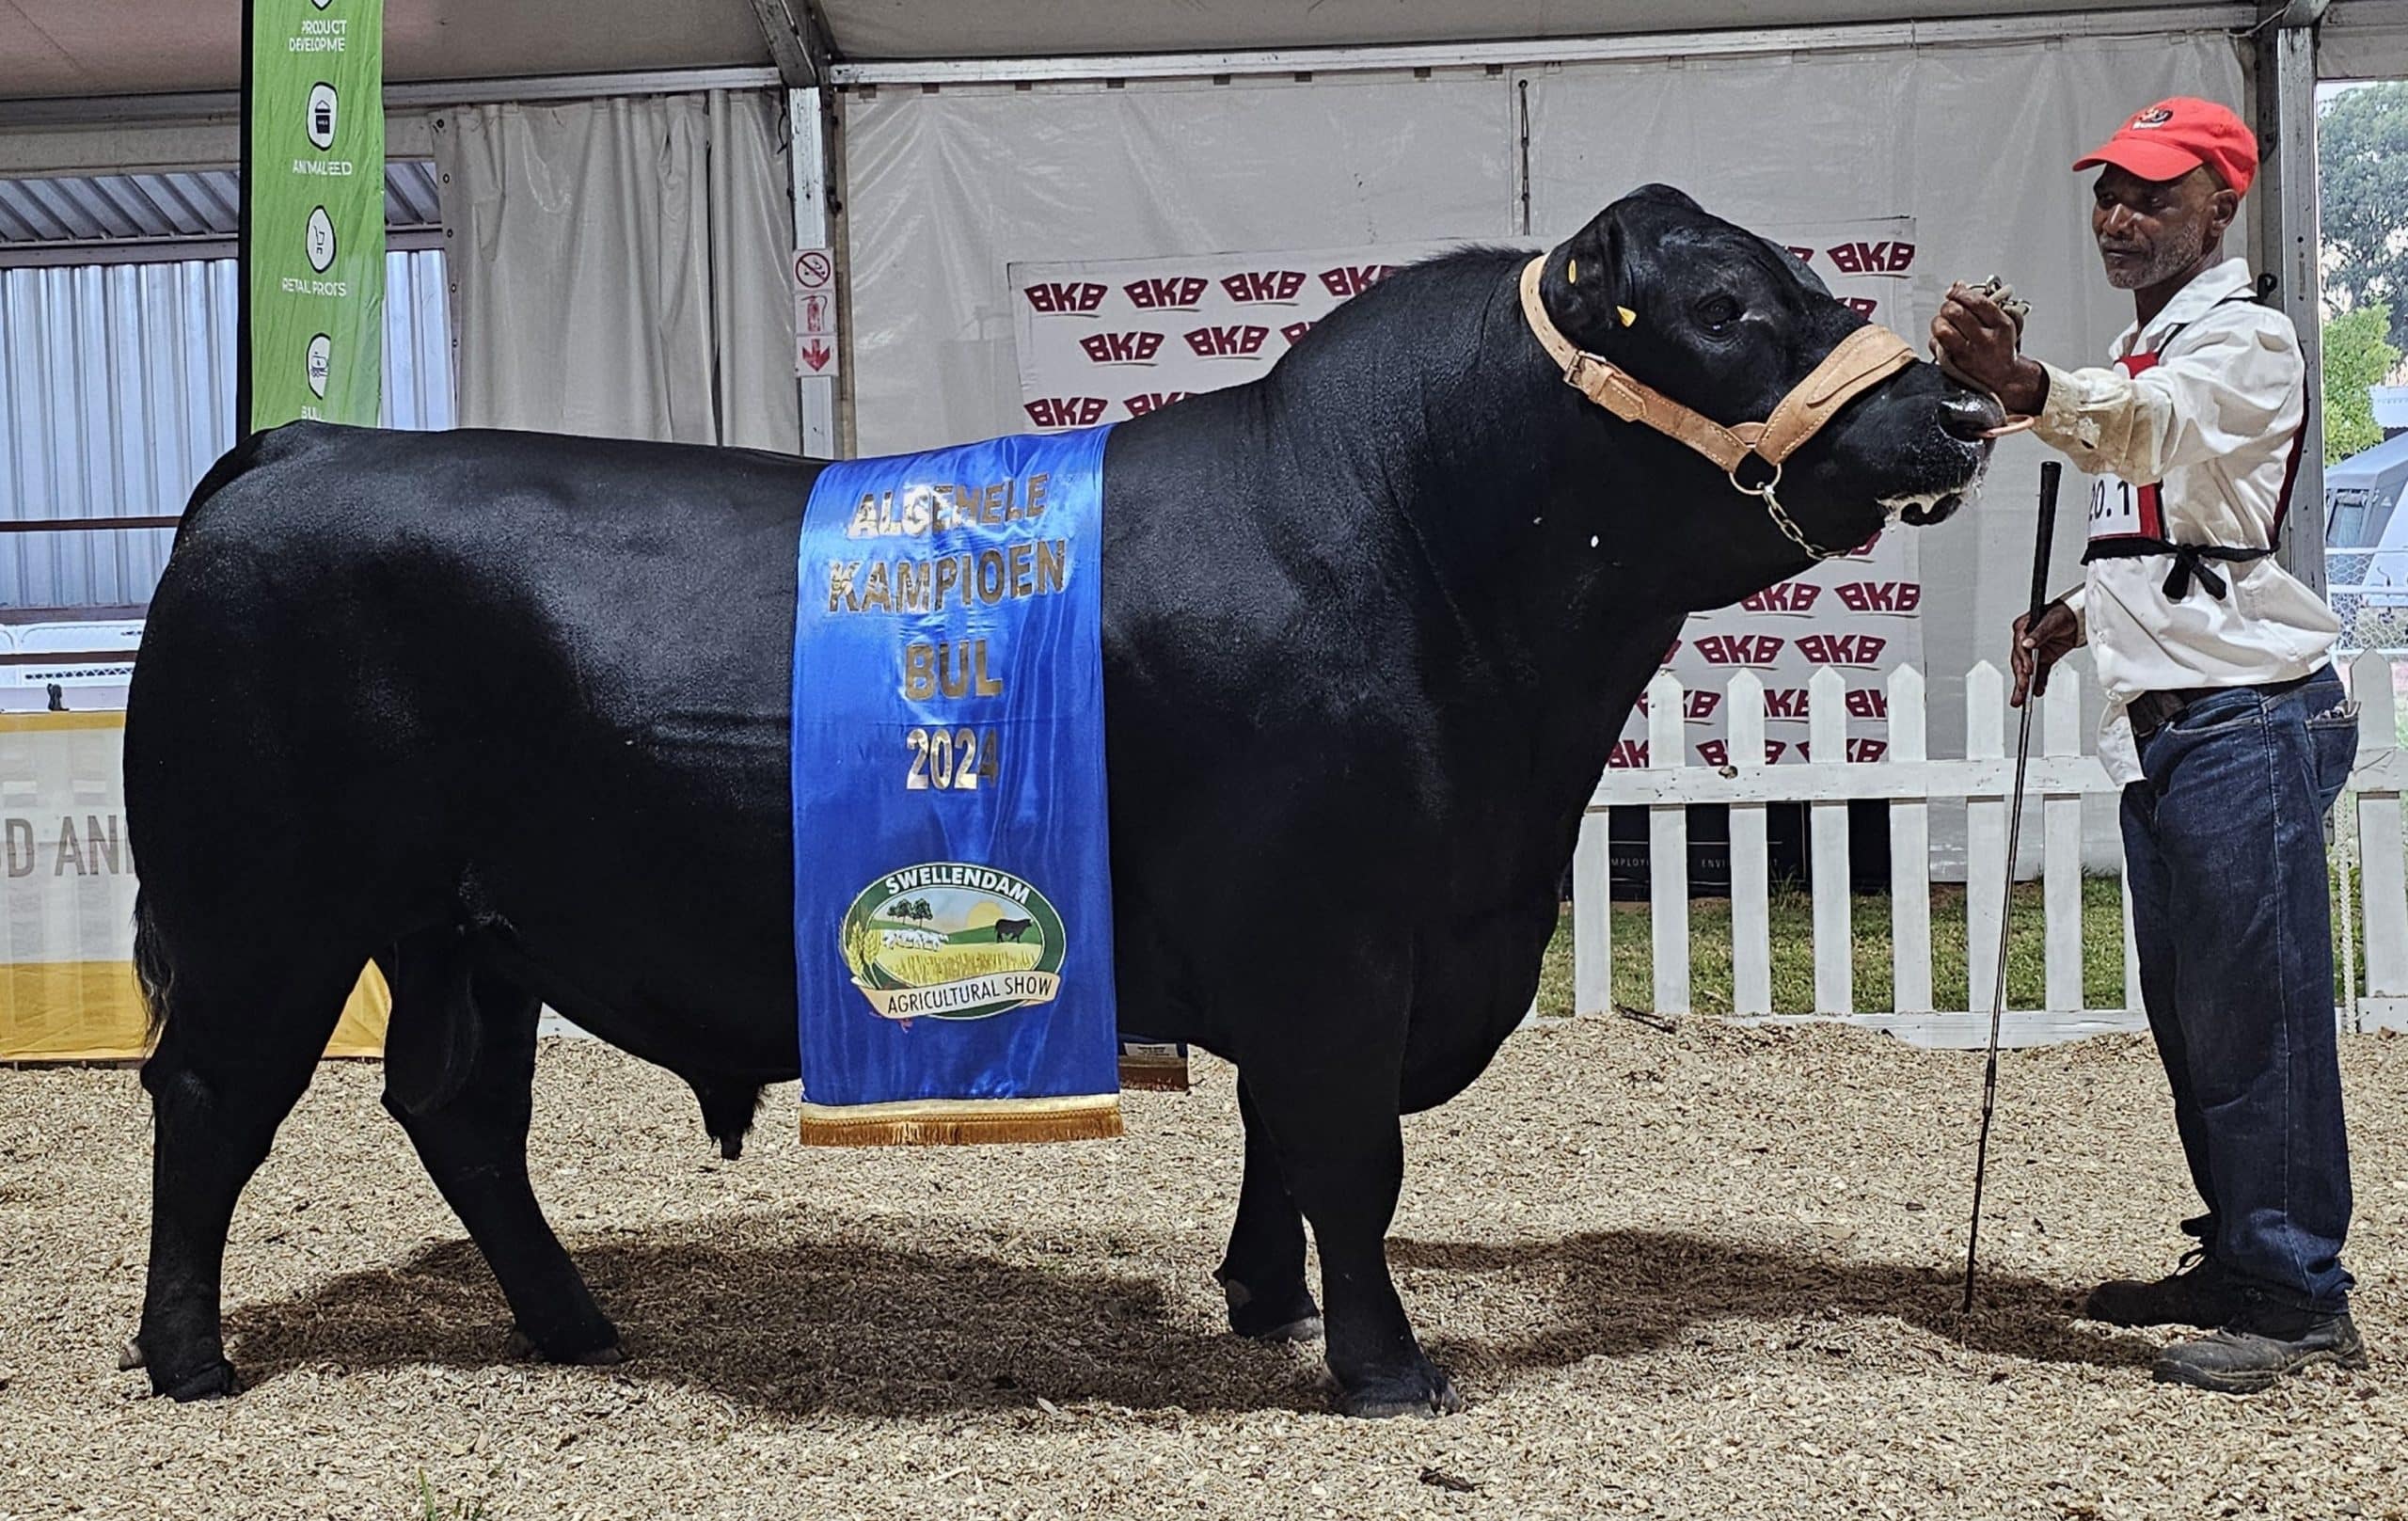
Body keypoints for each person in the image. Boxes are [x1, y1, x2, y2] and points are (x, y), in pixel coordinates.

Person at [1931, 97, 2365, 1393]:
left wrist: (2020, 384)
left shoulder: (2247, 340)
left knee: (2257, 1019)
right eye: (2110, 191)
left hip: (2252, 717)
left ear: (2218, 209)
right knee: (2196, 1013)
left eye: (2154, 194)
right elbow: (2175, 518)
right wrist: (2075, 615)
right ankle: (2241, 1255)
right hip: (2185, 722)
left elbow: (2145, 430)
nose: (2121, 214)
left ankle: (2297, 1298)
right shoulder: (2157, 342)